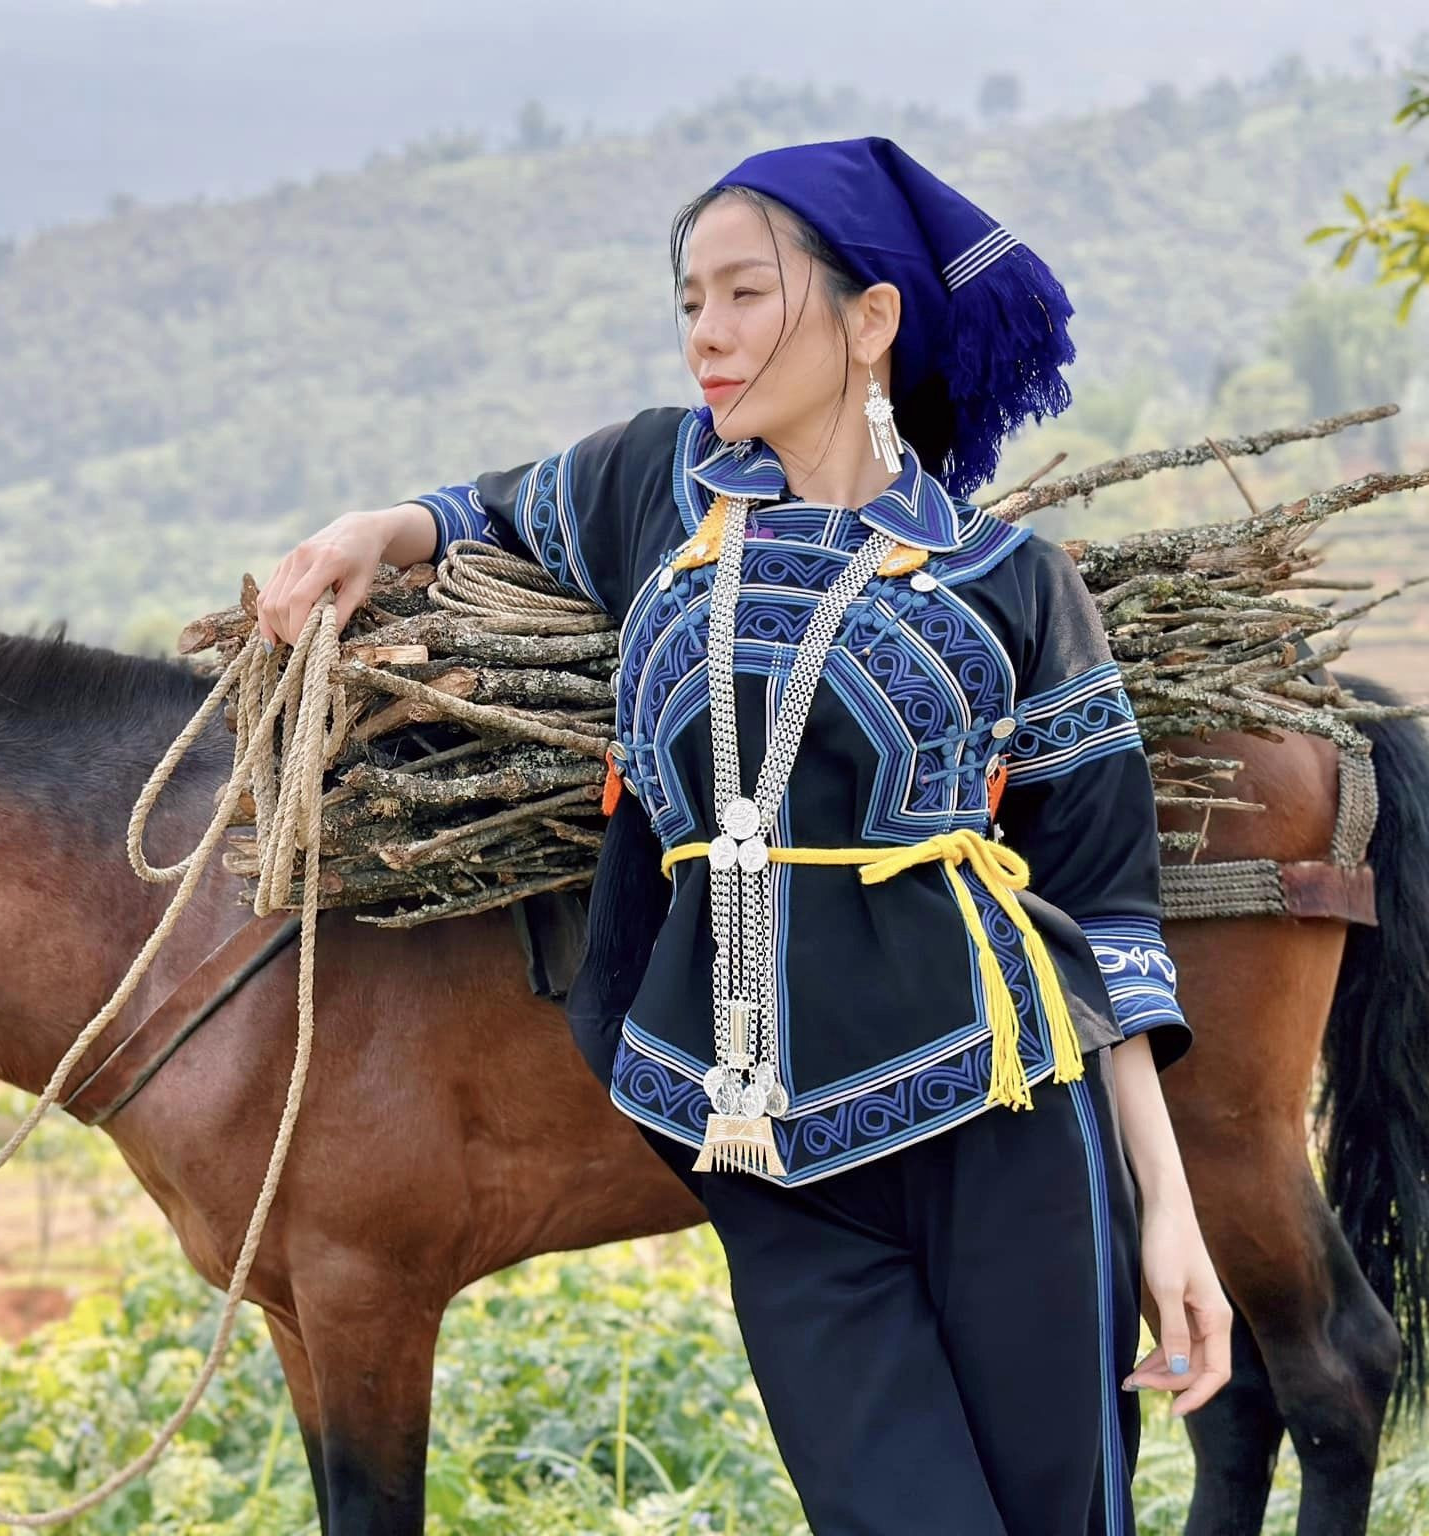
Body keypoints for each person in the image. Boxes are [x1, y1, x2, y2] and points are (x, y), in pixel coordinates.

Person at [258, 136, 1230, 1534]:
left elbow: (1103, 912)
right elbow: (489, 508)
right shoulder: (661, 489)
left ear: (870, 317)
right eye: (689, 301)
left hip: (1004, 1118)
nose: (706, 334)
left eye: (745, 296)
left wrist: (1170, 1215)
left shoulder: (1010, 581)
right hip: (765, 1150)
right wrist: (376, 526)